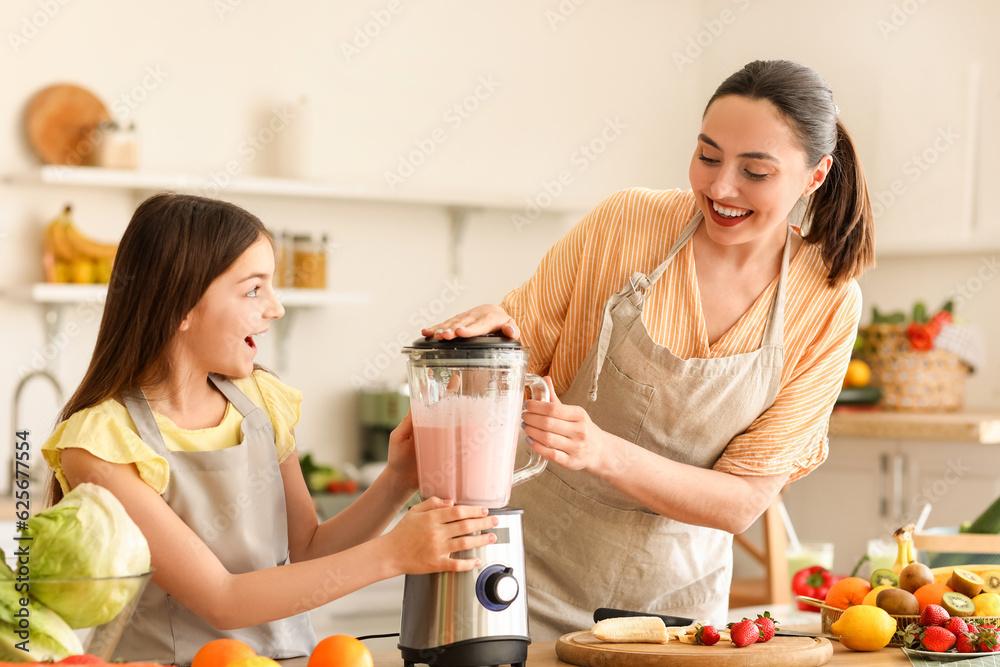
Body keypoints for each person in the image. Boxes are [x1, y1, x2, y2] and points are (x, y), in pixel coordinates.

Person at [425, 60, 875, 639]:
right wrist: (486, 341)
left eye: (755, 172)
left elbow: (740, 504)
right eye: (708, 157)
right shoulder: (626, 223)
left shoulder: (828, 299)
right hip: (517, 576)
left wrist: (602, 451)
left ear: (815, 177)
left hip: (676, 613)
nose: (720, 188)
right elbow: (517, 356)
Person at [41, 193, 497, 664]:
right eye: (254, 289)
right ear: (181, 305)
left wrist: (398, 480)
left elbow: (306, 552)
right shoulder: (102, 444)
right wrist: (391, 555)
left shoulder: (262, 403)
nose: (275, 308)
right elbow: (222, 599)